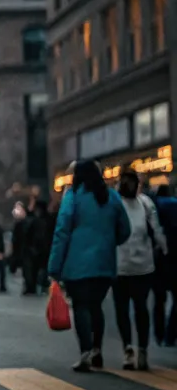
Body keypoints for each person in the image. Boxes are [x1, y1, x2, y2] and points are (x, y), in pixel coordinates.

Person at [48, 159, 131, 372]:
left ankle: (85, 352)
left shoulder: (73, 197)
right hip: (104, 263)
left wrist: (54, 266)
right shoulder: (111, 196)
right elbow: (125, 229)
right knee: (96, 306)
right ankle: (97, 349)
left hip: (77, 264)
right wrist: (110, 242)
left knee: (81, 306)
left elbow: (62, 232)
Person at [114, 168, 168, 370]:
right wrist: (164, 250)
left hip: (123, 266)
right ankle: (140, 349)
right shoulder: (146, 203)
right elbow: (157, 231)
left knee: (126, 310)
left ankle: (130, 348)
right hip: (141, 266)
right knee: (140, 309)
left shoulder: (116, 204)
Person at [153, 184, 177, 346]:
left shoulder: (153, 208)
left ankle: (159, 333)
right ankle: (171, 333)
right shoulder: (174, 206)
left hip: (158, 259)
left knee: (158, 299)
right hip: (175, 258)